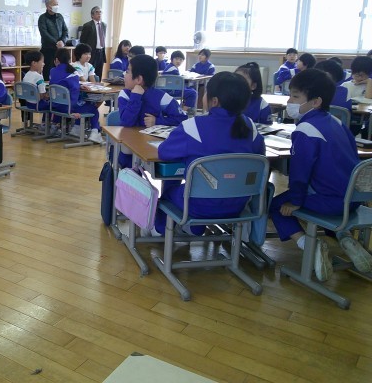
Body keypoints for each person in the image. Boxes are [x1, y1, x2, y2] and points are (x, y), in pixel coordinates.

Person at [268, 69, 372, 281]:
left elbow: (299, 173)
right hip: (353, 199)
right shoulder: (337, 121)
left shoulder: (305, 130)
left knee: (276, 206)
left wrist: (295, 201)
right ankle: (345, 238)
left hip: (329, 201)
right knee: (319, 196)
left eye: (295, 96)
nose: (289, 101)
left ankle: (310, 245)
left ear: (315, 102)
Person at [152, 72, 265, 236]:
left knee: (170, 191)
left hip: (198, 205)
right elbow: (259, 160)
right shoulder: (251, 128)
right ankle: (194, 229)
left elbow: (164, 152)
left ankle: (163, 229)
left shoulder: (193, 127)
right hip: (238, 204)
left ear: (214, 101)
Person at [117, 54, 187, 168]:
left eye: (128, 71)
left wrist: (158, 121)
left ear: (139, 79)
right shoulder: (125, 94)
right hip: (128, 148)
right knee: (126, 165)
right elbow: (126, 122)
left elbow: (182, 118)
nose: (124, 74)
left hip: (152, 148)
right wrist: (135, 96)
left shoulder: (160, 96)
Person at [49, 48, 103, 144]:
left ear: (57, 60)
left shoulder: (52, 71)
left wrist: (79, 85)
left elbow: (62, 85)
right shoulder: (73, 73)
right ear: (69, 59)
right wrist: (72, 111)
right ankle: (95, 133)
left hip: (55, 106)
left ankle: (76, 129)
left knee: (83, 105)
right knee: (93, 108)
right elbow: (74, 93)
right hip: (68, 108)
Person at [38, 0, 68, 81]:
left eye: (57, 4)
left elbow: (65, 31)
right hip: (48, 50)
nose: (57, 6)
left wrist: (62, 41)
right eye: (55, 4)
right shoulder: (42, 18)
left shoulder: (60, 17)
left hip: (60, 51)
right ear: (48, 6)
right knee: (48, 73)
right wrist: (56, 43)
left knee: (60, 74)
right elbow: (44, 34)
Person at [79, 6, 107, 80]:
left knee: (99, 73)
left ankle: (98, 86)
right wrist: (86, 53)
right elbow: (82, 40)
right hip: (91, 53)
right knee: (90, 73)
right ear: (92, 15)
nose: (99, 14)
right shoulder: (87, 25)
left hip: (101, 52)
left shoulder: (104, 25)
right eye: (97, 12)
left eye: (100, 12)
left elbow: (103, 38)